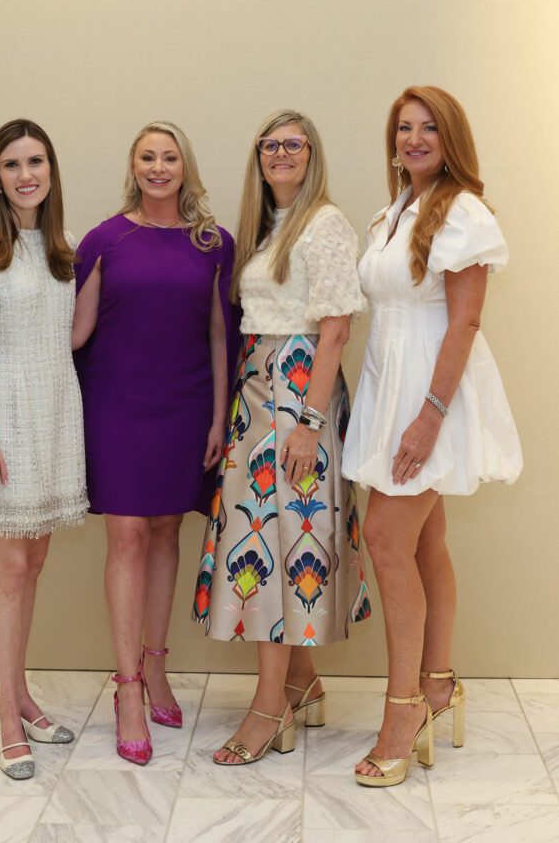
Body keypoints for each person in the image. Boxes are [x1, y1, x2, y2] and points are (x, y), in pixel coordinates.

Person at [342, 86, 523, 788]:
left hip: (430, 397)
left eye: (428, 129)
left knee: (385, 541)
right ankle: (440, 681)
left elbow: (464, 324)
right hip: (391, 388)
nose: (413, 138)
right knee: (422, 542)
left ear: (450, 140)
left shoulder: (462, 213)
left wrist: (427, 416)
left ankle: (403, 708)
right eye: (403, 127)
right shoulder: (393, 212)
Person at [193, 108, 370, 766]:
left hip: (299, 393)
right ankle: (300, 683)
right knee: (264, 536)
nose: (280, 154)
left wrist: (309, 422)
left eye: (293, 144)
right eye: (270, 145)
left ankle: (268, 707)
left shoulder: (323, 223)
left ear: (311, 154)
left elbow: (334, 330)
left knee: (279, 543)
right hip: (257, 388)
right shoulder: (266, 227)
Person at [72, 120, 236, 766]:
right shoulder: (104, 239)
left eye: (169, 157)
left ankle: (158, 666)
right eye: (148, 157)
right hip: (115, 404)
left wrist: (219, 417)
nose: (159, 167)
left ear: (184, 167)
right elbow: (76, 331)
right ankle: (128, 688)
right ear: (133, 166)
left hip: (187, 403)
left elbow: (223, 336)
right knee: (127, 536)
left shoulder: (213, 243)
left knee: (167, 531)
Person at [0, 119, 88, 780]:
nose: (26, 173)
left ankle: (22, 695)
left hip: (55, 414)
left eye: (36, 161)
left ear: (51, 171)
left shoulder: (61, 249)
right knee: (7, 572)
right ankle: (6, 717)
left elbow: (73, 335)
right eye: (12, 164)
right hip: (3, 418)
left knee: (32, 566)